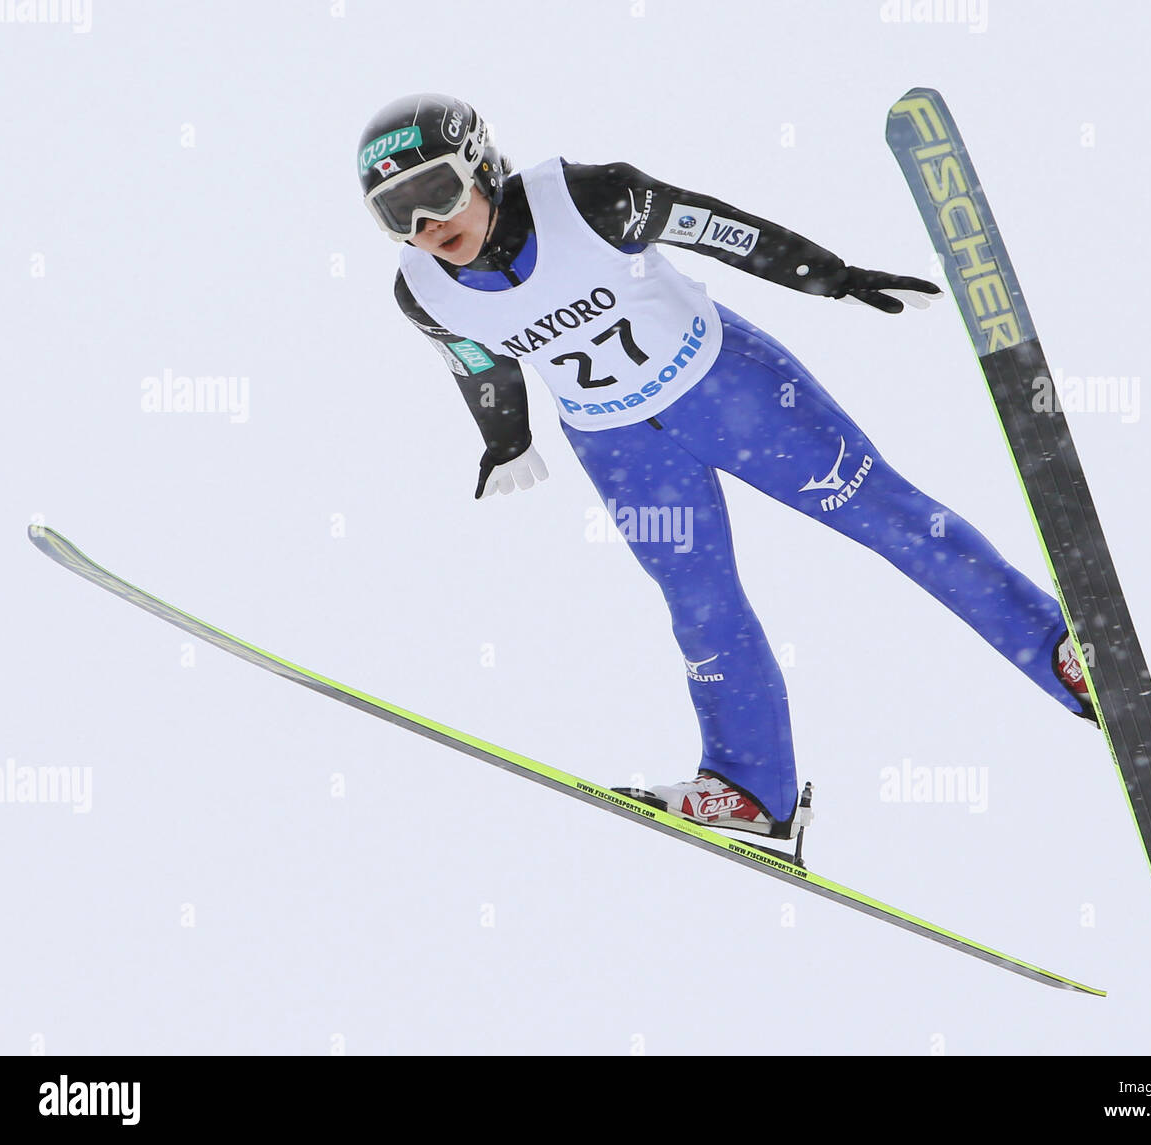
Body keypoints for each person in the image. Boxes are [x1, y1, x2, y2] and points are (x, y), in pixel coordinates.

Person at [358, 93, 1093, 842]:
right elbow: (478, 359)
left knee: (886, 514)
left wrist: (833, 276)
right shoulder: (418, 292)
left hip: (732, 391)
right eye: (396, 214)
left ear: (483, 164)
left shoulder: (589, 197)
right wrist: (505, 437)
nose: (427, 227)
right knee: (700, 605)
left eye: (437, 193)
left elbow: (724, 231)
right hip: (621, 449)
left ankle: (1059, 651)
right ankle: (751, 786)